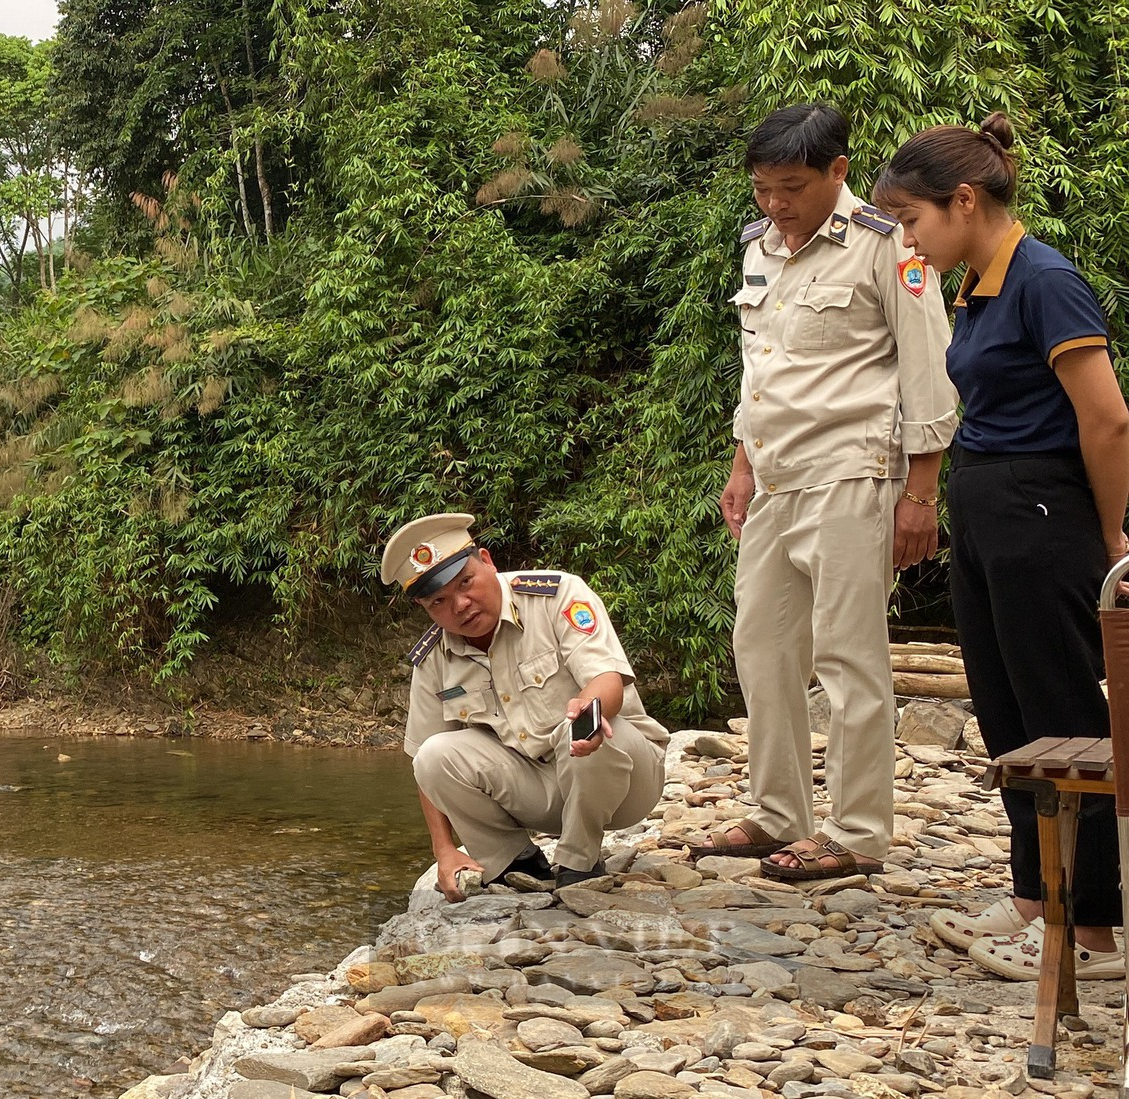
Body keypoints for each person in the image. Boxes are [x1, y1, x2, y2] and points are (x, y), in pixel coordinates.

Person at [872, 114, 1129, 980]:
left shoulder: (1046, 281)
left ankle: (1092, 924)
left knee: (1063, 719)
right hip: (987, 511)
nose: (906, 237)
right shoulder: (977, 284)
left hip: (1042, 514)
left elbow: (1108, 417)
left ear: (965, 200)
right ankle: (1035, 893)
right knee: (1006, 713)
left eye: (911, 219)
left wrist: (1106, 529)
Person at [690, 104, 959, 881]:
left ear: (838, 172)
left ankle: (859, 830)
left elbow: (928, 370)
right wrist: (741, 465)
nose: (775, 204)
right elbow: (759, 365)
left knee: (848, 653)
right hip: (776, 474)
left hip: (855, 470)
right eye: (763, 189)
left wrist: (921, 495)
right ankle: (778, 811)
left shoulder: (888, 244)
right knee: (762, 645)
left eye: (792, 187)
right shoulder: (759, 250)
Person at [383, 513, 670, 893]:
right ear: (425, 608)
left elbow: (608, 679)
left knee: (590, 723)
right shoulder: (435, 655)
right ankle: (515, 862)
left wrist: (588, 708)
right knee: (434, 755)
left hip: (625, 780)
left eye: (466, 582)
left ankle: (580, 863)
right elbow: (425, 761)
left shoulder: (557, 595)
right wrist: (444, 850)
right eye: (439, 600)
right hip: (539, 794)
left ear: (487, 561)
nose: (461, 604)